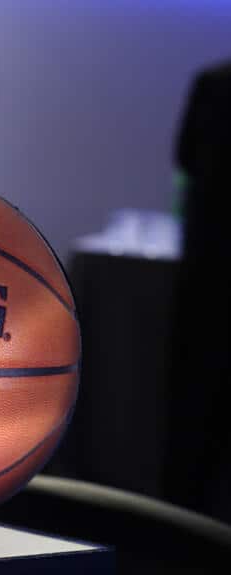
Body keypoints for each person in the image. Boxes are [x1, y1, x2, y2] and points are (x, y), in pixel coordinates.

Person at [165, 61, 231, 521]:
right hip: (207, 265)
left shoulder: (214, 82)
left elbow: (184, 158)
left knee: (192, 407)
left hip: (207, 266)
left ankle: (178, 521)